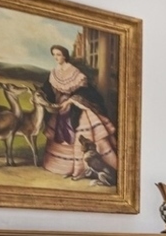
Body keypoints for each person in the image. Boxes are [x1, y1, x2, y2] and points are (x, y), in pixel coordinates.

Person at [39, 45, 119, 181]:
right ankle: (64, 168)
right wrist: (40, 96)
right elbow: (46, 89)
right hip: (59, 109)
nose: (56, 58)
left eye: (58, 54)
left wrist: (70, 101)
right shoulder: (54, 73)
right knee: (59, 136)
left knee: (79, 135)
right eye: (54, 55)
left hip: (76, 108)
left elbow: (85, 92)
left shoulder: (75, 72)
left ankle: (81, 169)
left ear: (65, 56)